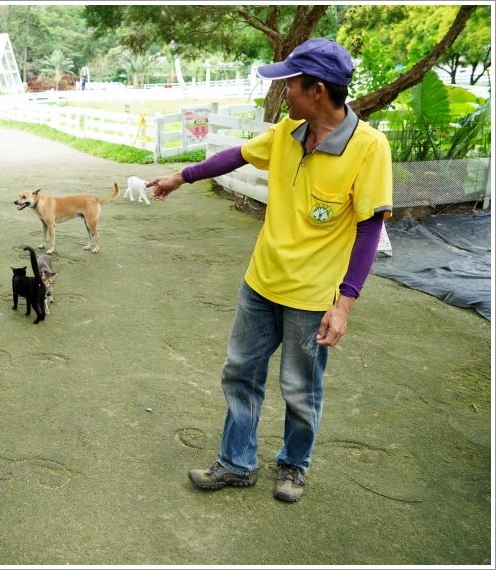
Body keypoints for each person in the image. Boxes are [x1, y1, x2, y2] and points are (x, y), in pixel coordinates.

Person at [146, 38, 393, 503]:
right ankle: (238, 462)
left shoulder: (368, 147)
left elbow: (368, 229)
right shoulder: (287, 133)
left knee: (300, 389)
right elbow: (238, 154)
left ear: (316, 90)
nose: (283, 94)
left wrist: (344, 304)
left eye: (289, 85)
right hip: (261, 282)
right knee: (240, 371)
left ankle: (294, 467)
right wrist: (183, 177)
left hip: (312, 295)